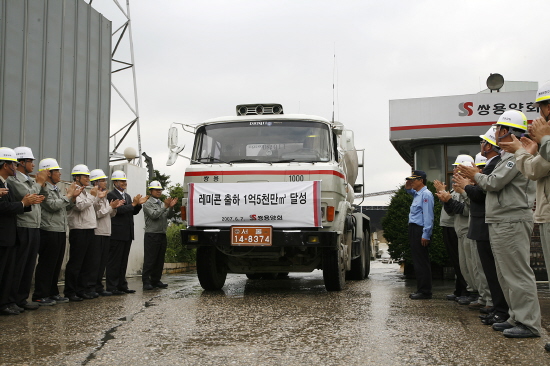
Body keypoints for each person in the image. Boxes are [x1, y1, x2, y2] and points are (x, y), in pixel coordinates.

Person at [459, 110, 540, 338]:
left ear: (506, 131)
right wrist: (477, 176)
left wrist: (475, 175)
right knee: (505, 274)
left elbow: (494, 183)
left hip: (511, 218)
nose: (494, 133)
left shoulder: (516, 155)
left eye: (497, 129)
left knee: (517, 273)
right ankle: (515, 317)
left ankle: (528, 323)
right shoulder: (508, 156)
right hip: (501, 219)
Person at [32, 158, 83, 305]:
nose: (60, 174)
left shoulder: (55, 188)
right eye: (57, 171)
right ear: (48, 173)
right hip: (48, 229)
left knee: (56, 264)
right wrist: (68, 196)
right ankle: (40, 294)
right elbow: (52, 206)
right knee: (47, 264)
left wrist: (72, 199)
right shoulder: (43, 188)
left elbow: (64, 207)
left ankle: (52, 292)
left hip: (59, 229)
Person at [0, 147, 43, 315]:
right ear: (5, 165)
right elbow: (3, 207)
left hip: (12, 234)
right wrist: (24, 203)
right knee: (9, 270)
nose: (15, 167)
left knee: (11, 270)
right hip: (10, 233)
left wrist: (25, 204)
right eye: (13, 164)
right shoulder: (11, 182)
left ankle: (11, 301)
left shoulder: (5, 182)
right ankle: (7, 301)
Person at [106, 170, 148, 295]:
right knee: (114, 261)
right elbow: (118, 211)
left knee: (123, 261)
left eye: (125, 181)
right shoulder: (111, 195)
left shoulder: (127, 196)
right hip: (117, 232)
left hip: (127, 233)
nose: (124, 183)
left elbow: (132, 211)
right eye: (122, 181)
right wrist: (133, 204)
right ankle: (112, 286)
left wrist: (138, 205)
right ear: (115, 182)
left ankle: (121, 285)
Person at [64, 164, 101, 302]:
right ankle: (70, 291)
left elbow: (89, 206)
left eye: (88, 176)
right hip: (79, 230)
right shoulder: (73, 189)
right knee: (76, 262)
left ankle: (82, 289)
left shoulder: (86, 191)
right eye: (85, 176)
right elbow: (79, 206)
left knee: (87, 262)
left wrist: (95, 197)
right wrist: (92, 197)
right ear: (77, 177)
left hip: (89, 228)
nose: (88, 178)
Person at [89, 169, 122, 297]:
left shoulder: (104, 196)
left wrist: (114, 208)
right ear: (95, 182)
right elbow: (97, 214)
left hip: (106, 232)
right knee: (95, 262)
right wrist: (110, 207)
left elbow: (109, 214)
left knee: (102, 262)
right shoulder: (94, 196)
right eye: (102, 180)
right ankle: (92, 287)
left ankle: (98, 286)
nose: (105, 182)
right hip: (97, 232)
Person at [433, 180, 467, 302]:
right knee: (456, 261)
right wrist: (441, 193)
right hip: (448, 225)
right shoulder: (454, 190)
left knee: (460, 261)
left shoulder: (462, 190)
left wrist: (443, 193)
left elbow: (455, 208)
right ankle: (459, 290)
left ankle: (465, 291)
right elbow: (446, 204)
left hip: (454, 226)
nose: (455, 173)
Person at [405, 170, 434, 300]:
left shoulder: (426, 194)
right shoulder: (418, 194)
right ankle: (421, 289)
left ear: (421, 180)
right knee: (417, 261)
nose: (411, 182)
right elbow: (411, 192)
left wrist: (426, 234)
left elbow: (428, 216)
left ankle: (425, 291)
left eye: (413, 180)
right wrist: (408, 187)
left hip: (420, 230)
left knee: (421, 261)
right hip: (414, 229)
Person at [142, 180, 177, 290]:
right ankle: (146, 281)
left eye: (160, 190)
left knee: (159, 259)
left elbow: (169, 216)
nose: (159, 192)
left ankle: (156, 280)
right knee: (150, 259)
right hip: (151, 234)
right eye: (156, 190)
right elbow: (154, 215)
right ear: (151, 191)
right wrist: (165, 207)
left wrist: (170, 207)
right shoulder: (147, 203)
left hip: (161, 234)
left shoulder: (162, 203)